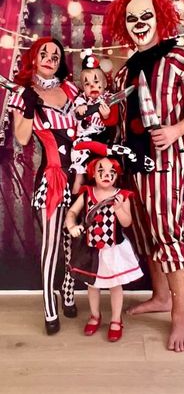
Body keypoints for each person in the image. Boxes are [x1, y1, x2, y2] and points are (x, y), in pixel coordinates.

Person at [106, 0, 184, 351]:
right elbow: (117, 121)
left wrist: (177, 129)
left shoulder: (181, 57)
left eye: (146, 16)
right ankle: (161, 296)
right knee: (144, 230)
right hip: (131, 164)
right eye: (132, 18)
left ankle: (180, 314)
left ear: (159, 17)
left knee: (168, 231)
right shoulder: (123, 72)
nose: (139, 23)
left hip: (166, 161)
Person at [8, 37, 79, 335]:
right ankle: (49, 305)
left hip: (79, 173)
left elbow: (88, 125)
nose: (50, 58)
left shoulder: (72, 90)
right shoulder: (23, 94)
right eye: (44, 53)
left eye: (56, 55)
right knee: (50, 244)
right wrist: (28, 109)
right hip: (51, 177)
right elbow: (23, 139)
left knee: (73, 240)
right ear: (34, 58)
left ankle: (69, 290)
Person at [65, 143, 143, 342]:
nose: (107, 175)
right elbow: (72, 212)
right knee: (93, 285)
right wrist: (72, 225)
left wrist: (118, 209)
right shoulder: (87, 193)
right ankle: (95, 315)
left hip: (114, 249)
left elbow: (127, 222)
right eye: (101, 171)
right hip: (92, 250)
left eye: (111, 171)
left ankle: (116, 319)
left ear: (117, 174)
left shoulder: (121, 196)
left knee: (116, 285)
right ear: (93, 173)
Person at [71, 53, 118, 194]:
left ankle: (101, 194)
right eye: (87, 84)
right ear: (83, 88)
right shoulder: (82, 100)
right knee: (79, 168)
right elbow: (76, 113)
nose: (93, 86)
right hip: (84, 139)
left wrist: (106, 115)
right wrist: (80, 110)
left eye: (97, 82)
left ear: (104, 84)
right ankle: (76, 195)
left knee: (102, 168)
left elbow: (113, 121)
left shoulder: (108, 99)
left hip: (102, 138)